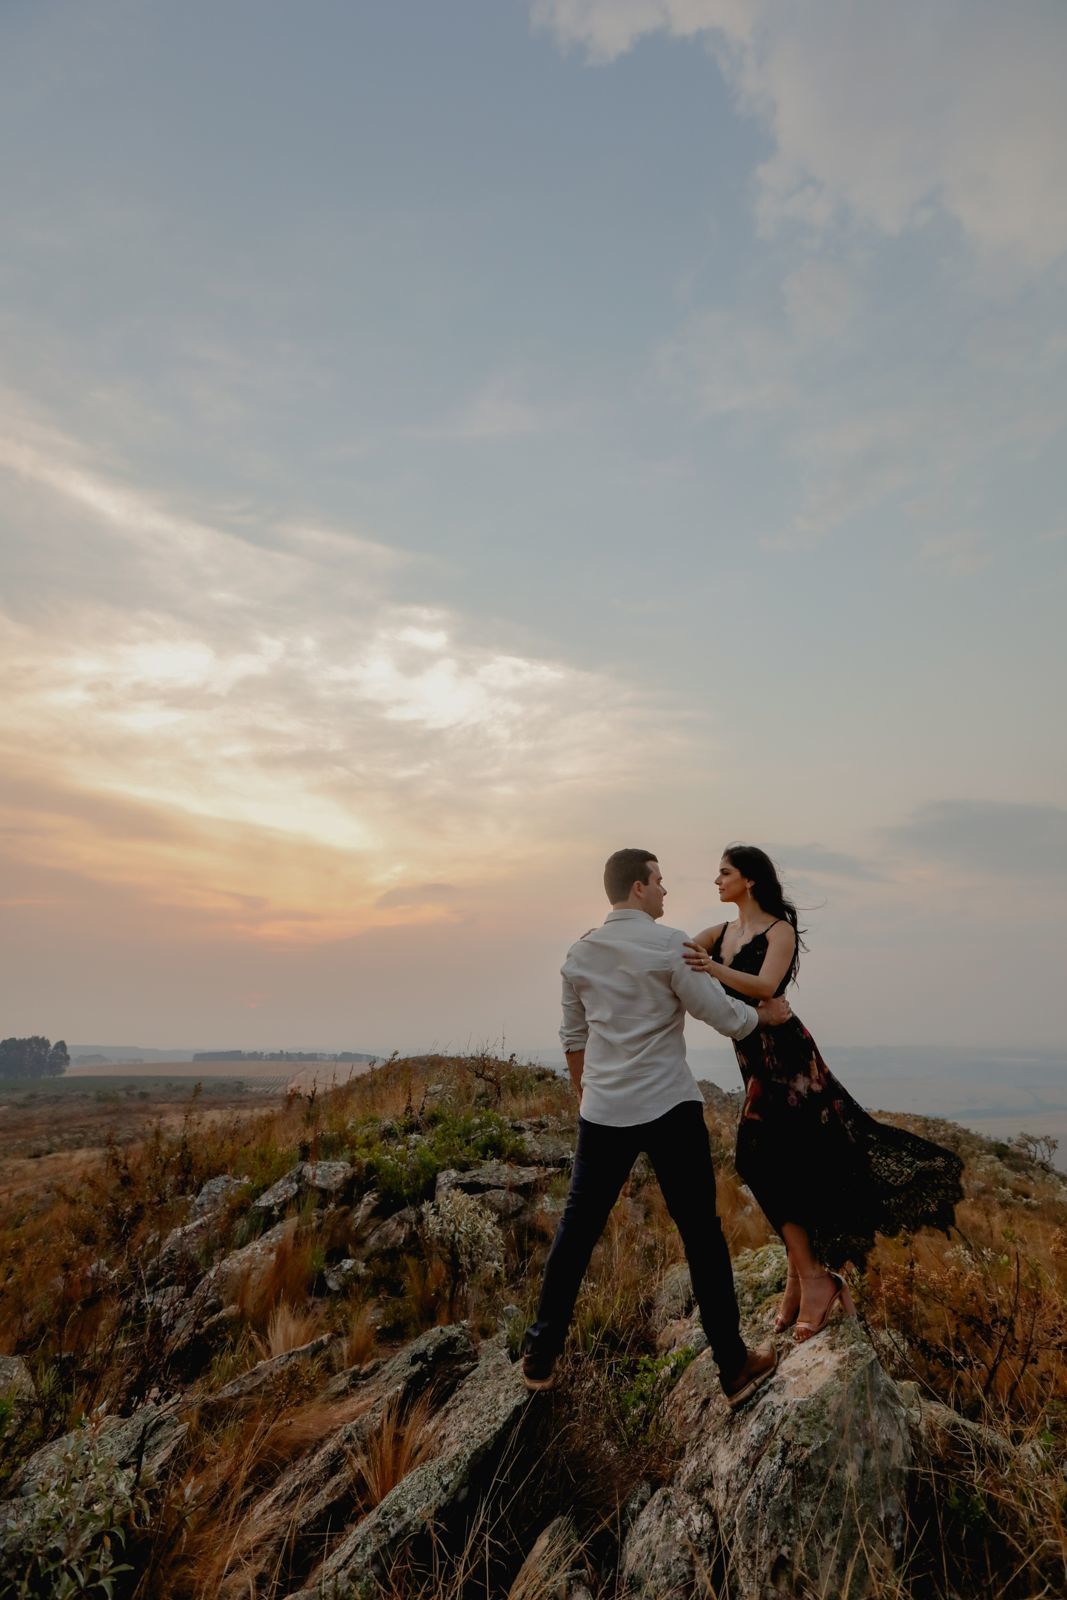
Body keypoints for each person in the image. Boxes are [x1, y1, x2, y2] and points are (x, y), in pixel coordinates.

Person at [522, 848, 793, 1406]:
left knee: (576, 1232)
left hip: (603, 1114)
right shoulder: (669, 944)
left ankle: (539, 1356)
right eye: (661, 883)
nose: (667, 893)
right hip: (669, 1107)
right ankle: (734, 1368)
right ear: (639, 889)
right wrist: (760, 1016)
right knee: (701, 1236)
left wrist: (584, 1090)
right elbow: (717, 1013)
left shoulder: (579, 954)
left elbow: (573, 1037)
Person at [684, 843, 964, 1341]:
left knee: (759, 1159)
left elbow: (767, 986)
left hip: (789, 1062)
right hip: (753, 1060)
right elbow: (678, 953)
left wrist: (713, 972)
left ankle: (815, 1280)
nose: (716, 880)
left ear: (749, 880)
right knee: (777, 1165)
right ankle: (802, 1278)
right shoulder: (719, 933)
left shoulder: (779, 931)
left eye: (724, 872)